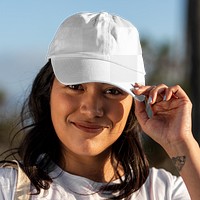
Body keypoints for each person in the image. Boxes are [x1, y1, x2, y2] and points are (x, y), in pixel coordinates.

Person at [0, 11, 199, 200]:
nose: (92, 109)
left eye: (112, 91)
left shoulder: (164, 191)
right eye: (75, 86)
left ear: (135, 101)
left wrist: (179, 143)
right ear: (47, 91)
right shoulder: (8, 187)